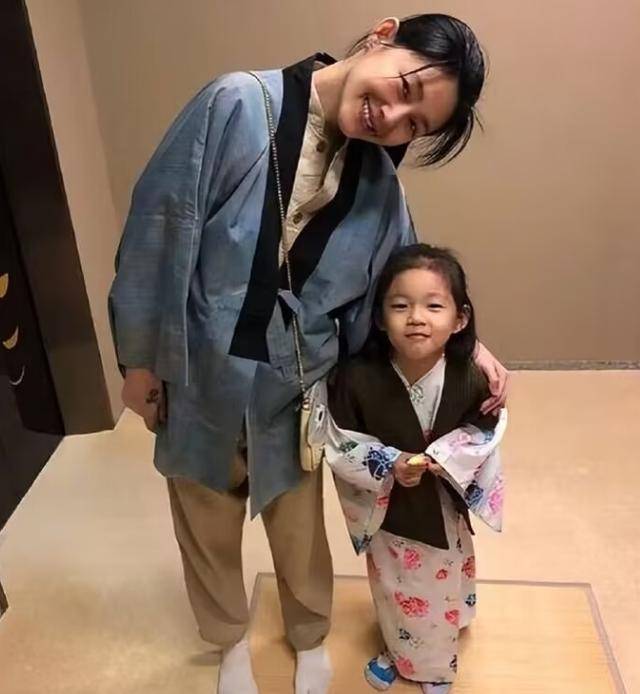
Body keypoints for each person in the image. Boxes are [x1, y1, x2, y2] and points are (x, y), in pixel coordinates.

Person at [108, 14, 508, 694]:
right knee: (204, 514)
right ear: (382, 36)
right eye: (405, 88)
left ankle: (309, 634)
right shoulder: (238, 103)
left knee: (298, 524)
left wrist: (470, 345)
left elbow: (402, 280)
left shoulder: (378, 184)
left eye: (414, 124)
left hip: (297, 384)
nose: (393, 118)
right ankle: (228, 640)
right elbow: (160, 225)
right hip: (199, 366)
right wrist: (141, 361)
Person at [325, 244, 507, 692]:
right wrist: (388, 463)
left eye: (434, 306)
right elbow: (340, 438)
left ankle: (435, 660)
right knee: (395, 583)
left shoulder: (472, 376)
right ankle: (400, 648)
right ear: (378, 317)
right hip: (392, 505)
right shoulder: (356, 378)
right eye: (400, 306)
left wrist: (446, 457)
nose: (417, 318)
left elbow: (485, 430)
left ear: (460, 319)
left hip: (442, 501)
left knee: (442, 577)